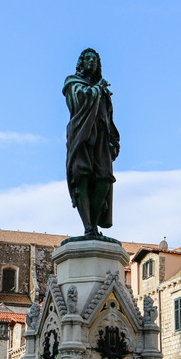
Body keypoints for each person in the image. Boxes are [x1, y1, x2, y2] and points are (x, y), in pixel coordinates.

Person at [63, 48, 120, 238]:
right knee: (82, 179)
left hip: (101, 137)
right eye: (87, 58)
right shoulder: (72, 82)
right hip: (81, 135)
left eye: (95, 59)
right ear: (81, 63)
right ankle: (88, 227)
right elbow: (79, 100)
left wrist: (114, 138)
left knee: (104, 181)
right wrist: (98, 89)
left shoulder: (102, 88)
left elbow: (107, 115)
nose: (91, 62)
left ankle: (94, 226)